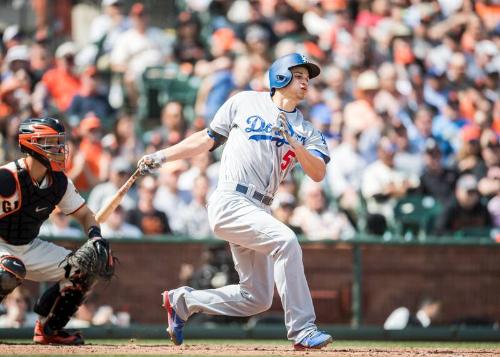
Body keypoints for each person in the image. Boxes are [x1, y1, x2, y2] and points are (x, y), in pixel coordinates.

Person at [138, 53, 332, 350]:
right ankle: (303, 330)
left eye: (309, 77)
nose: (306, 81)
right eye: (300, 75)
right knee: (286, 241)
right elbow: (206, 139)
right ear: (280, 76)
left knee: (256, 298)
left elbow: (318, 172)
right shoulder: (245, 102)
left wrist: (294, 142)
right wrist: (162, 156)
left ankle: (182, 302)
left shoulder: (307, 130)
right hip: (231, 199)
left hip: (260, 207)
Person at [0, 117, 114, 344]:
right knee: (9, 270)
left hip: (28, 246)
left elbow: (85, 214)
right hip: (1, 245)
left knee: (85, 268)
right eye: (51, 142)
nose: (59, 148)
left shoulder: (59, 182)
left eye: (59, 141)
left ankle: (48, 329)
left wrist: (95, 236)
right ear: (32, 144)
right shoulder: (6, 179)